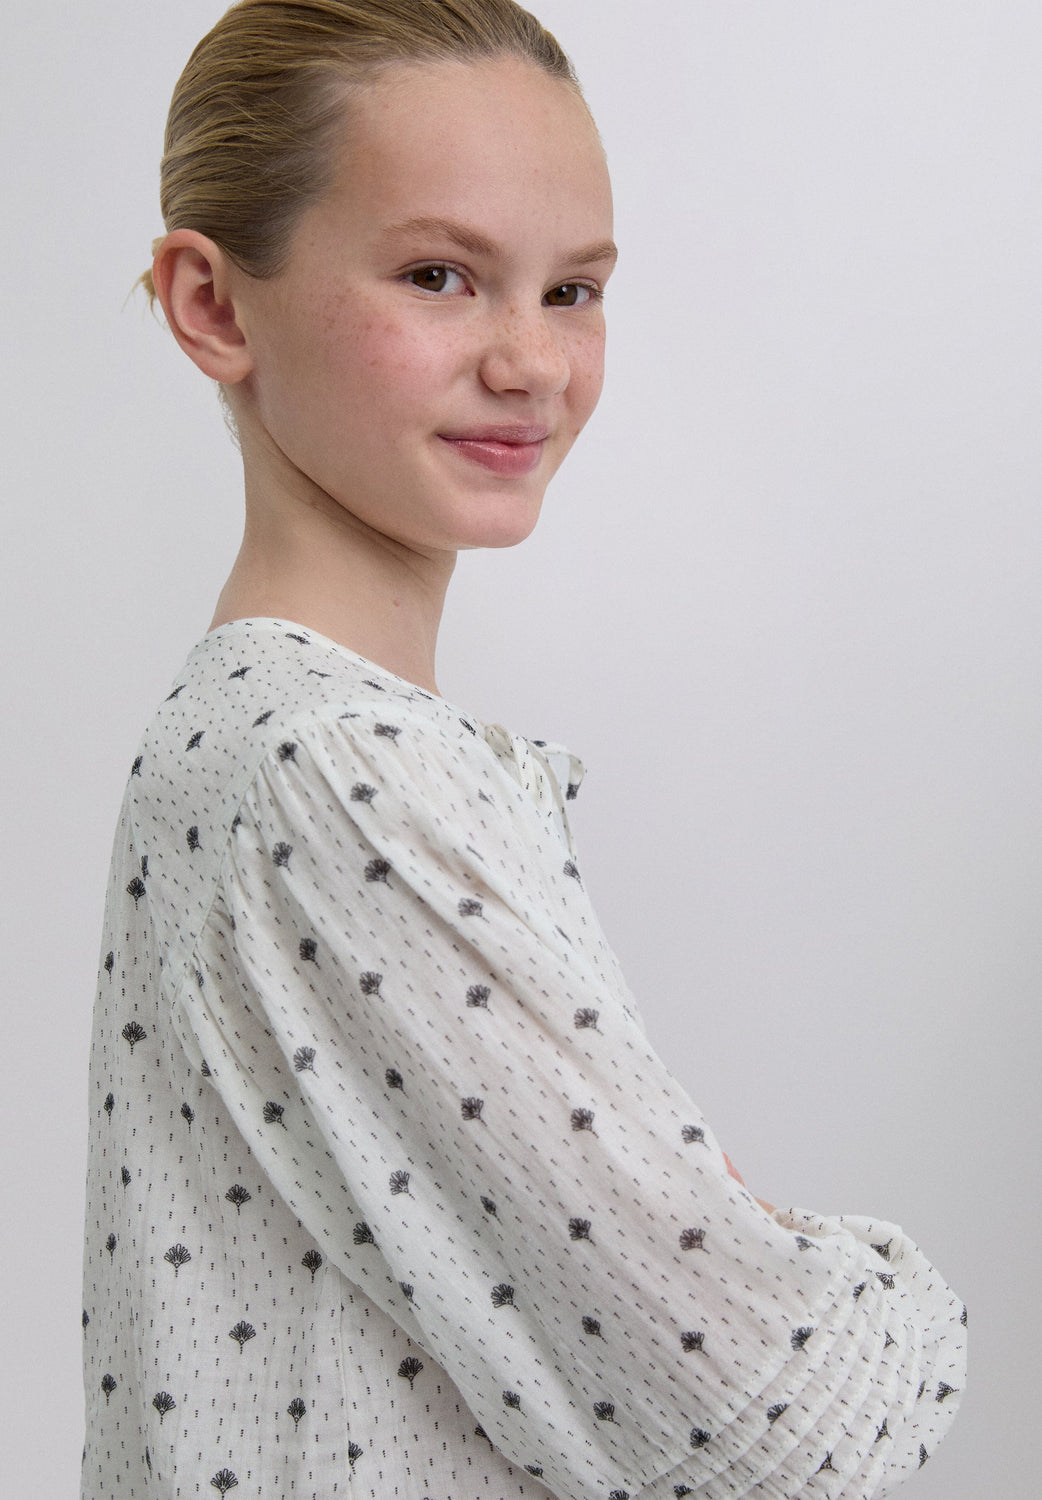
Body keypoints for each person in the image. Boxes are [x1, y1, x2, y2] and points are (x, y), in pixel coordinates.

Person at [82, 2, 966, 1496]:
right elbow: (777, 1432)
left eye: (573, 290)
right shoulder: (337, 775)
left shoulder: (259, 737)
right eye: (439, 275)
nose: (532, 362)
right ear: (214, 305)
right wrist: (865, 1278)